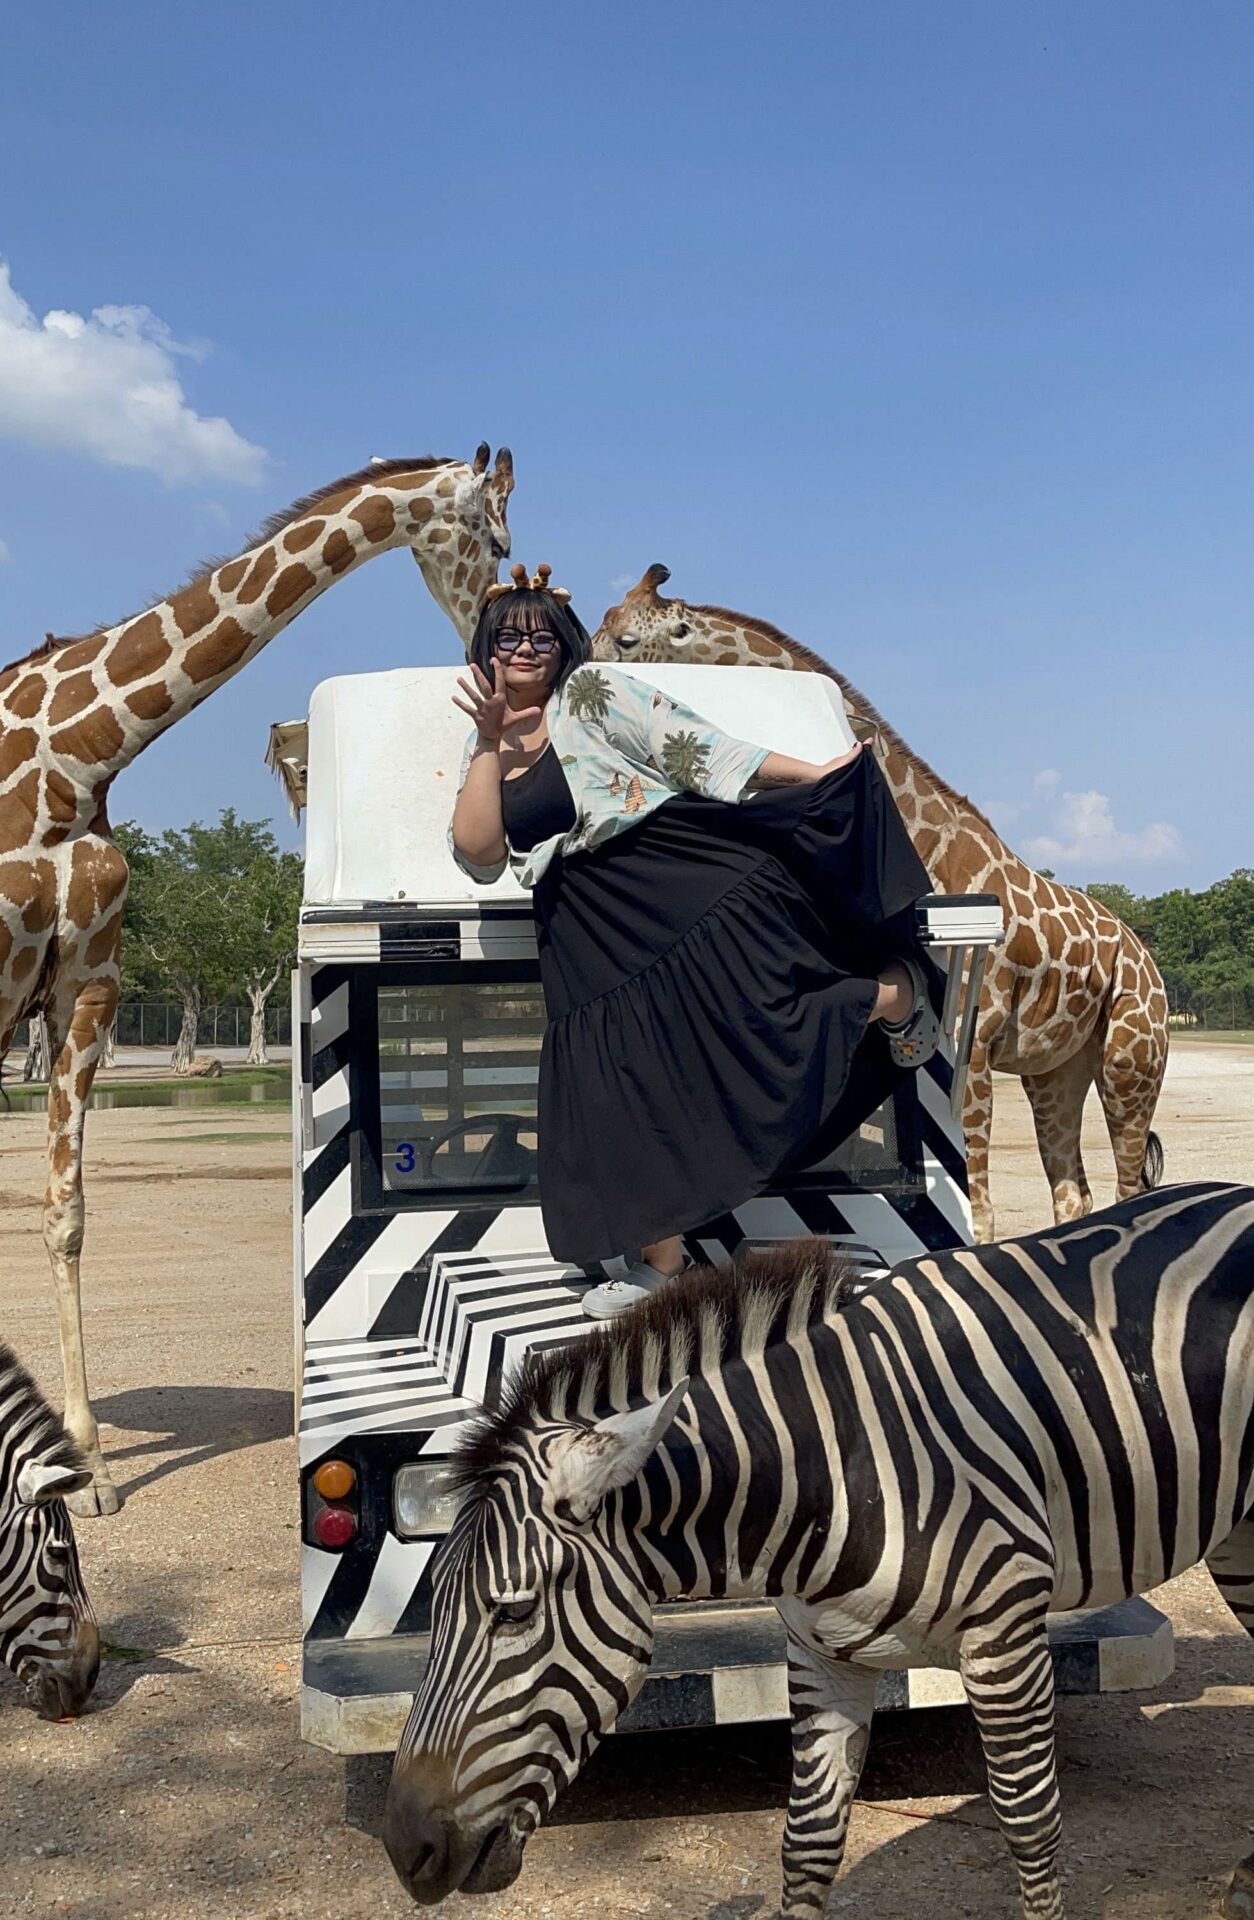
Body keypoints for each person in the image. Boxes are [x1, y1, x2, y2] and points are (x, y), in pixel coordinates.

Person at [450, 564, 939, 1318]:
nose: (526, 646)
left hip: (665, 874)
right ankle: (664, 1266)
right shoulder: (485, 744)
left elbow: (699, 751)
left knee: (755, 1015)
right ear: (486, 647)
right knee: (628, 1087)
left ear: (563, 645)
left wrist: (817, 774)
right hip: (581, 923)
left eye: (542, 633)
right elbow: (479, 852)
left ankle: (891, 996)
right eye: (510, 634)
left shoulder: (590, 693)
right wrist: (489, 744)